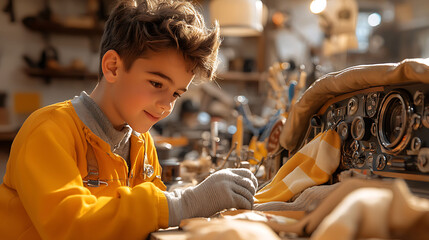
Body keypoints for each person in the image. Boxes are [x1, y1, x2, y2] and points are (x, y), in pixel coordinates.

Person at [0, 0, 258, 239]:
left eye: (177, 93)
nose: (167, 106)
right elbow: (71, 225)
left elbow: (146, 216)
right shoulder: (49, 130)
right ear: (113, 67)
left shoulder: (141, 143)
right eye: (157, 83)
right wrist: (184, 203)